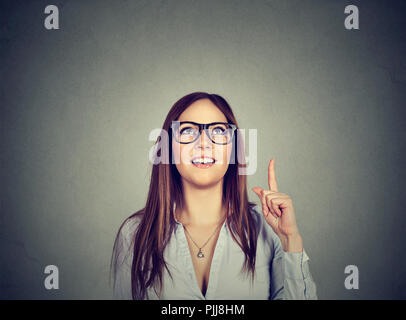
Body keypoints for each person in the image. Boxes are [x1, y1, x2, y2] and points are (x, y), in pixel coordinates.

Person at [110, 91, 318, 300]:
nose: (203, 143)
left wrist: (290, 240)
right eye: (188, 131)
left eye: (218, 131)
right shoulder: (135, 234)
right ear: (168, 147)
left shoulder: (268, 229)